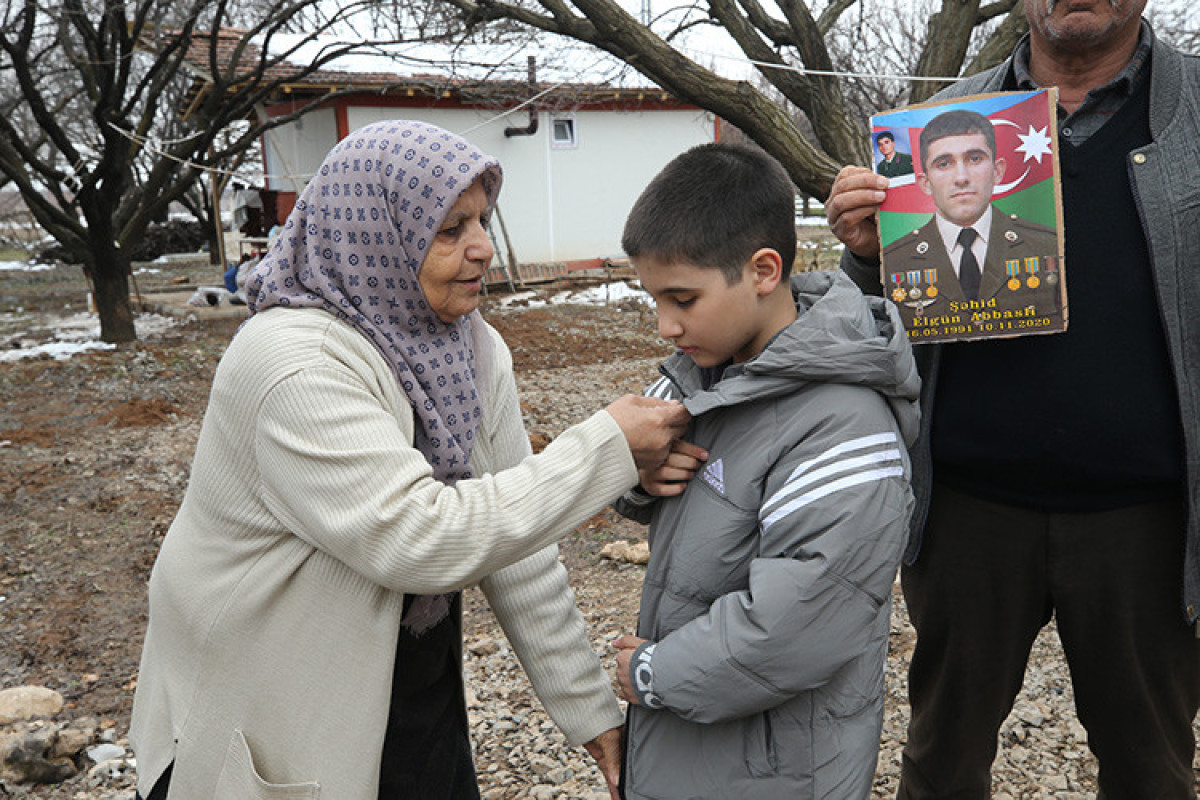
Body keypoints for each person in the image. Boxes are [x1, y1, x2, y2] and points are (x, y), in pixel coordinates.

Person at [128, 119, 691, 800]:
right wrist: (606, 448)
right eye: (450, 229)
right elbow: (420, 538)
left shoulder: (471, 350)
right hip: (269, 708)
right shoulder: (292, 363)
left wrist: (592, 714)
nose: (483, 248)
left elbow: (518, 545)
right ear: (373, 236)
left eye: (482, 220)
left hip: (403, 678)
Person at [825, 1, 1200, 797]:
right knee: (941, 763)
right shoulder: (937, 130)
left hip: (1147, 523)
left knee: (1152, 770)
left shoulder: (1197, 113)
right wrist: (868, 259)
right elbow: (878, 332)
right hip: (969, 514)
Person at [608, 142, 921, 799]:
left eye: (682, 298)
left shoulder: (843, 425)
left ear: (763, 270)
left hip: (776, 768)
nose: (665, 326)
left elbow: (797, 621)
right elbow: (647, 476)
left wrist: (654, 674)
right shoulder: (708, 371)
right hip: (705, 749)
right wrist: (637, 473)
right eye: (654, 299)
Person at [883, 109, 1058, 313]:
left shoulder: (1046, 245)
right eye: (944, 164)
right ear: (925, 182)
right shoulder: (893, 260)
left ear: (997, 171)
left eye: (974, 159)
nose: (961, 177)